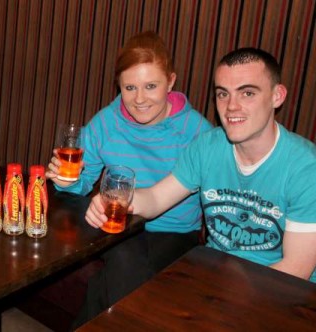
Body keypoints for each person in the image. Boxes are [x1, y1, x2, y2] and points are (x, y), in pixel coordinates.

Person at [86, 47, 316, 283]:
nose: (232, 106)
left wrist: (220, 294)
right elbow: (155, 198)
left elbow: (295, 272)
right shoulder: (207, 147)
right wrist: (113, 199)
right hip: (211, 275)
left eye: (247, 93)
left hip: (275, 294)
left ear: (277, 96)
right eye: (223, 94)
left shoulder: (311, 172)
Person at [45, 32, 212, 328]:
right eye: (130, 87)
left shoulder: (195, 129)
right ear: (119, 86)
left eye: (151, 86)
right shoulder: (106, 123)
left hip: (175, 232)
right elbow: (82, 183)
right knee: (125, 256)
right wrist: (65, 180)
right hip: (117, 226)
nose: (139, 99)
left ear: (170, 82)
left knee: (109, 280)